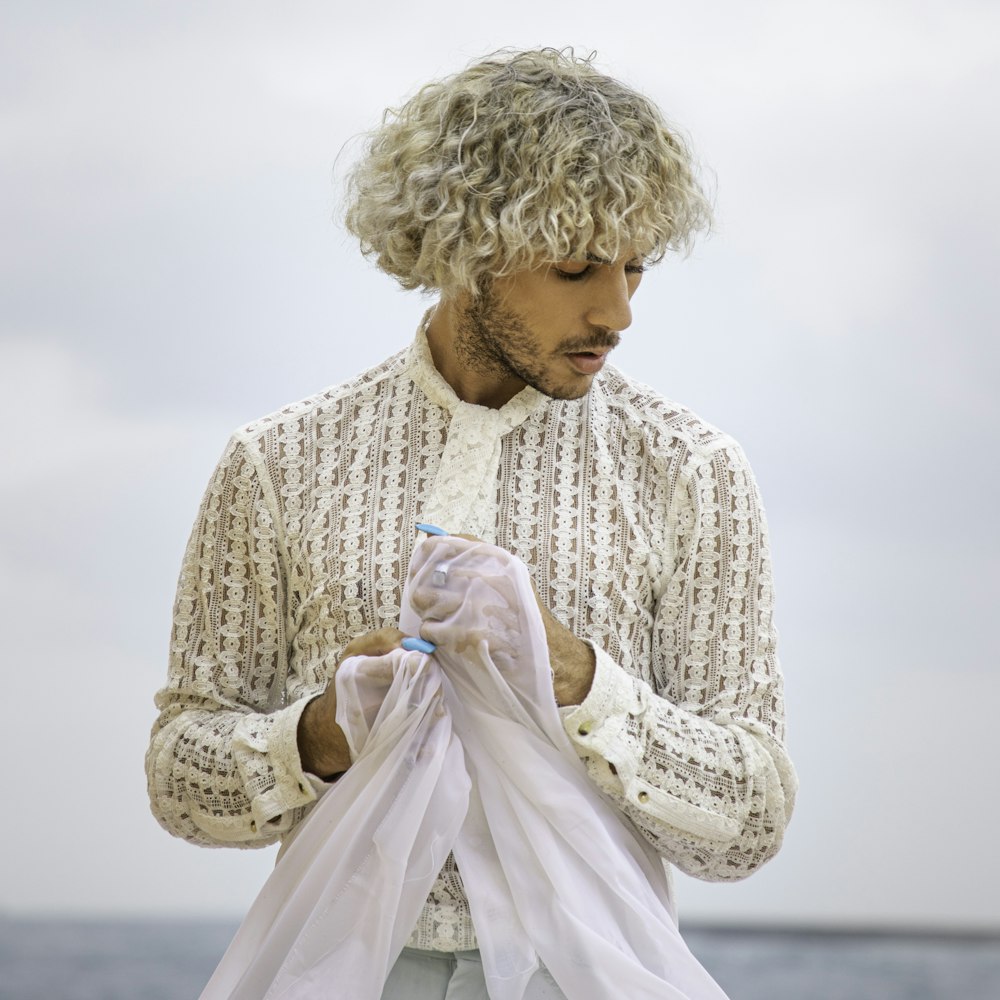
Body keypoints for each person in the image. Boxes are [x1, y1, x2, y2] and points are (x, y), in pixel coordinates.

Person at [146, 47, 797, 998]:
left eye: (636, 267)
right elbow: (177, 781)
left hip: (583, 972)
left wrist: (578, 680)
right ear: (466, 249)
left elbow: (752, 823)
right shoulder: (278, 462)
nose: (615, 310)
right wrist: (325, 733)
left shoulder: (691, 470)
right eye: (576, 266)